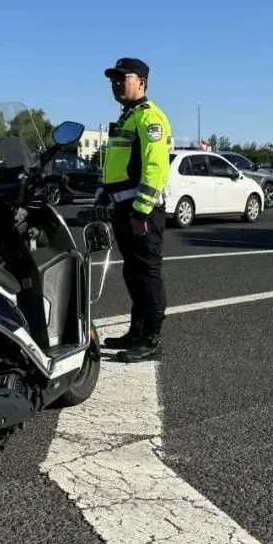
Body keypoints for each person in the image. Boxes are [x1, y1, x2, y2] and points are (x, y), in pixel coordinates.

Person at [96, 57, 172, 362]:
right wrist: (102, 191)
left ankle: (151, 340)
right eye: (112, 79)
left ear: (141, 82)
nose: (115, 83)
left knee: (147, 273)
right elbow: (116, 164)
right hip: (122, 207)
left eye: (121, 78)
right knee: (133, 271)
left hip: (142, 211)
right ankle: (136, 332)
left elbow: (155, 168)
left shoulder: (149, 117)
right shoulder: (127, 117)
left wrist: (140, 212)